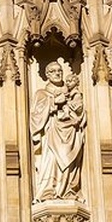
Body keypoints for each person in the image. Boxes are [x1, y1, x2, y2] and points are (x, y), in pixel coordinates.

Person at [30, 61, 86, 202]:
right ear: (47, 75)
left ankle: (67, 189)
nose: (57, 74)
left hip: (69, 133)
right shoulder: (42, 93)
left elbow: (80, 113)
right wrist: (54, 102)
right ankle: (49, 190)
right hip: (51, 133)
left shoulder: (71, 93)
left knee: (69, 160)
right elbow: (35, 116)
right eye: (53, 71)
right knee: (52, 161)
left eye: (59, 71)